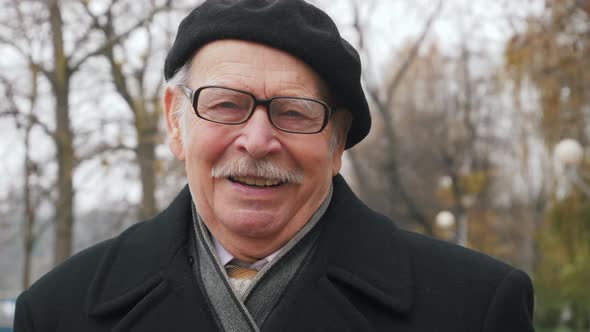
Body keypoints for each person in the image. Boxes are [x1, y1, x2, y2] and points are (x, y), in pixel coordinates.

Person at [13, 0, 534, 331]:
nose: (258, 141)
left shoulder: (475, 309)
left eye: (294, 112)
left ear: (336, 143)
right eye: (224, 105)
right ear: (175, 123)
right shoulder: (60, 312)